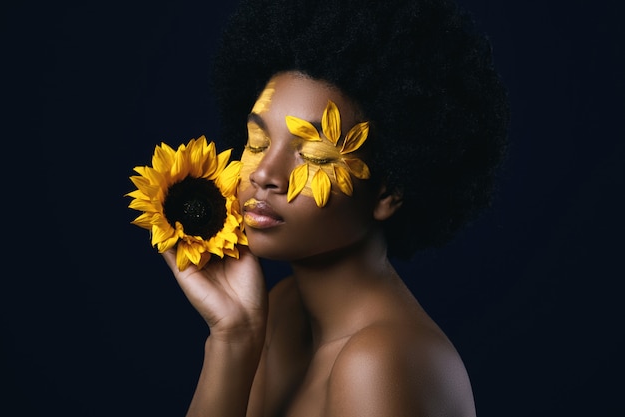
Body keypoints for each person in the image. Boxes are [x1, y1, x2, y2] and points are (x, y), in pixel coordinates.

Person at [161, 0, 509, 415]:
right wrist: (233, 338)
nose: (265, 173)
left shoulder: (381, 362)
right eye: (257, 143)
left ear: (387, 191)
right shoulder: (283, 308)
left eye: (315, 155)